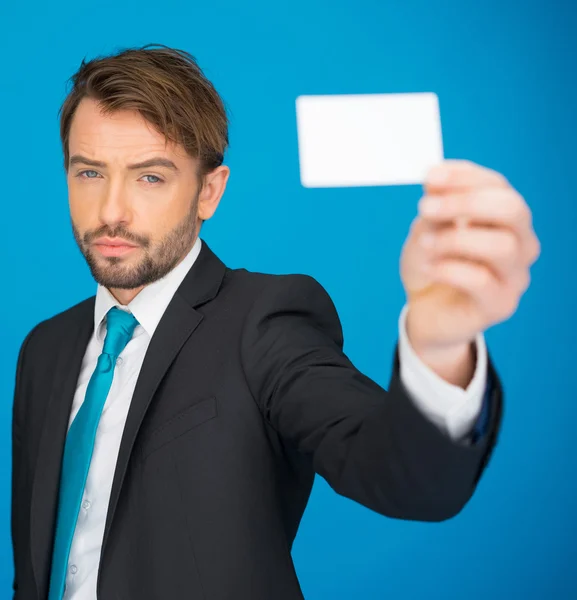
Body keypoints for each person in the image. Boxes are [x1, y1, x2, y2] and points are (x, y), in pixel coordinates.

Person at [10, 43, 540, 600]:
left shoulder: (264, 322)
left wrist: (439, 346)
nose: (111, 210)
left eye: (150, 178)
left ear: (208, 192)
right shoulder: (44, 350)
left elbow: (405, 478)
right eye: (90, 172)